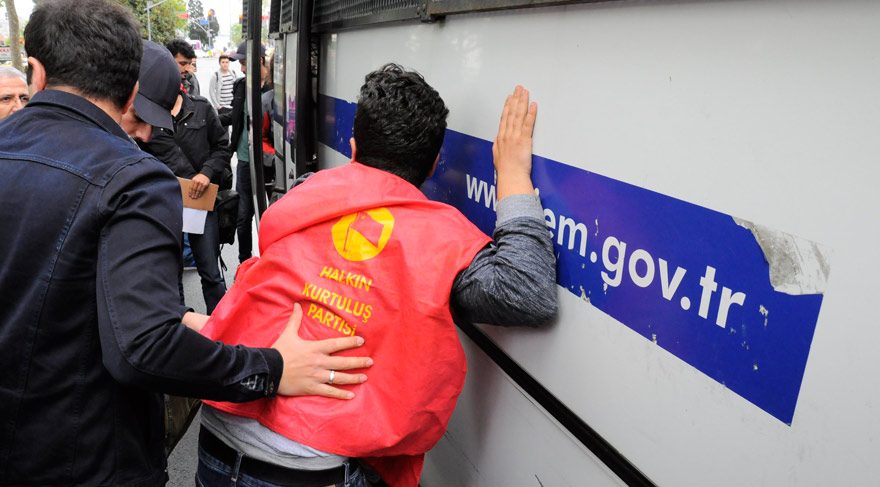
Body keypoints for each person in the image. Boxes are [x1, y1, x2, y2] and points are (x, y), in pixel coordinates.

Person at [0, 2, 371, 485]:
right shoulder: (133, 181)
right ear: (131, 89)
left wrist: (174, 316)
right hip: (86, 460)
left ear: (37, 72)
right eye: (141, 115)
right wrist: (271, 369)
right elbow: (143, 349)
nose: (147, 132)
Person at [196, 65, 557, 486]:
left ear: (352, 148)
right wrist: (513, 175)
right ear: (434, 163)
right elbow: (529, 291)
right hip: (308, 467)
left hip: (220, 432)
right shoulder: (442, 238)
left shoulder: (305, 193)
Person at [142, 86, 232, 314]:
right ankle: (180, 326)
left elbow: (222, 147)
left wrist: (207, 173)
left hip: (200, 204)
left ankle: (221, 327)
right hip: (164, 204)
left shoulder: (200, 108)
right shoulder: (146, 115)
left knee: (210, 272)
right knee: (171, 274)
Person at [221, 41, 270, 263]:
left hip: (270, 162)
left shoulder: (276, 89)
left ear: (260, 61)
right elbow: (235, 116)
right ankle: (245, 264)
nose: (241, 68)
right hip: (243, 160)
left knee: (273, 217)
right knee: (243, 217)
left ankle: (271, 264)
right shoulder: (240, 85)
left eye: (243, 63)